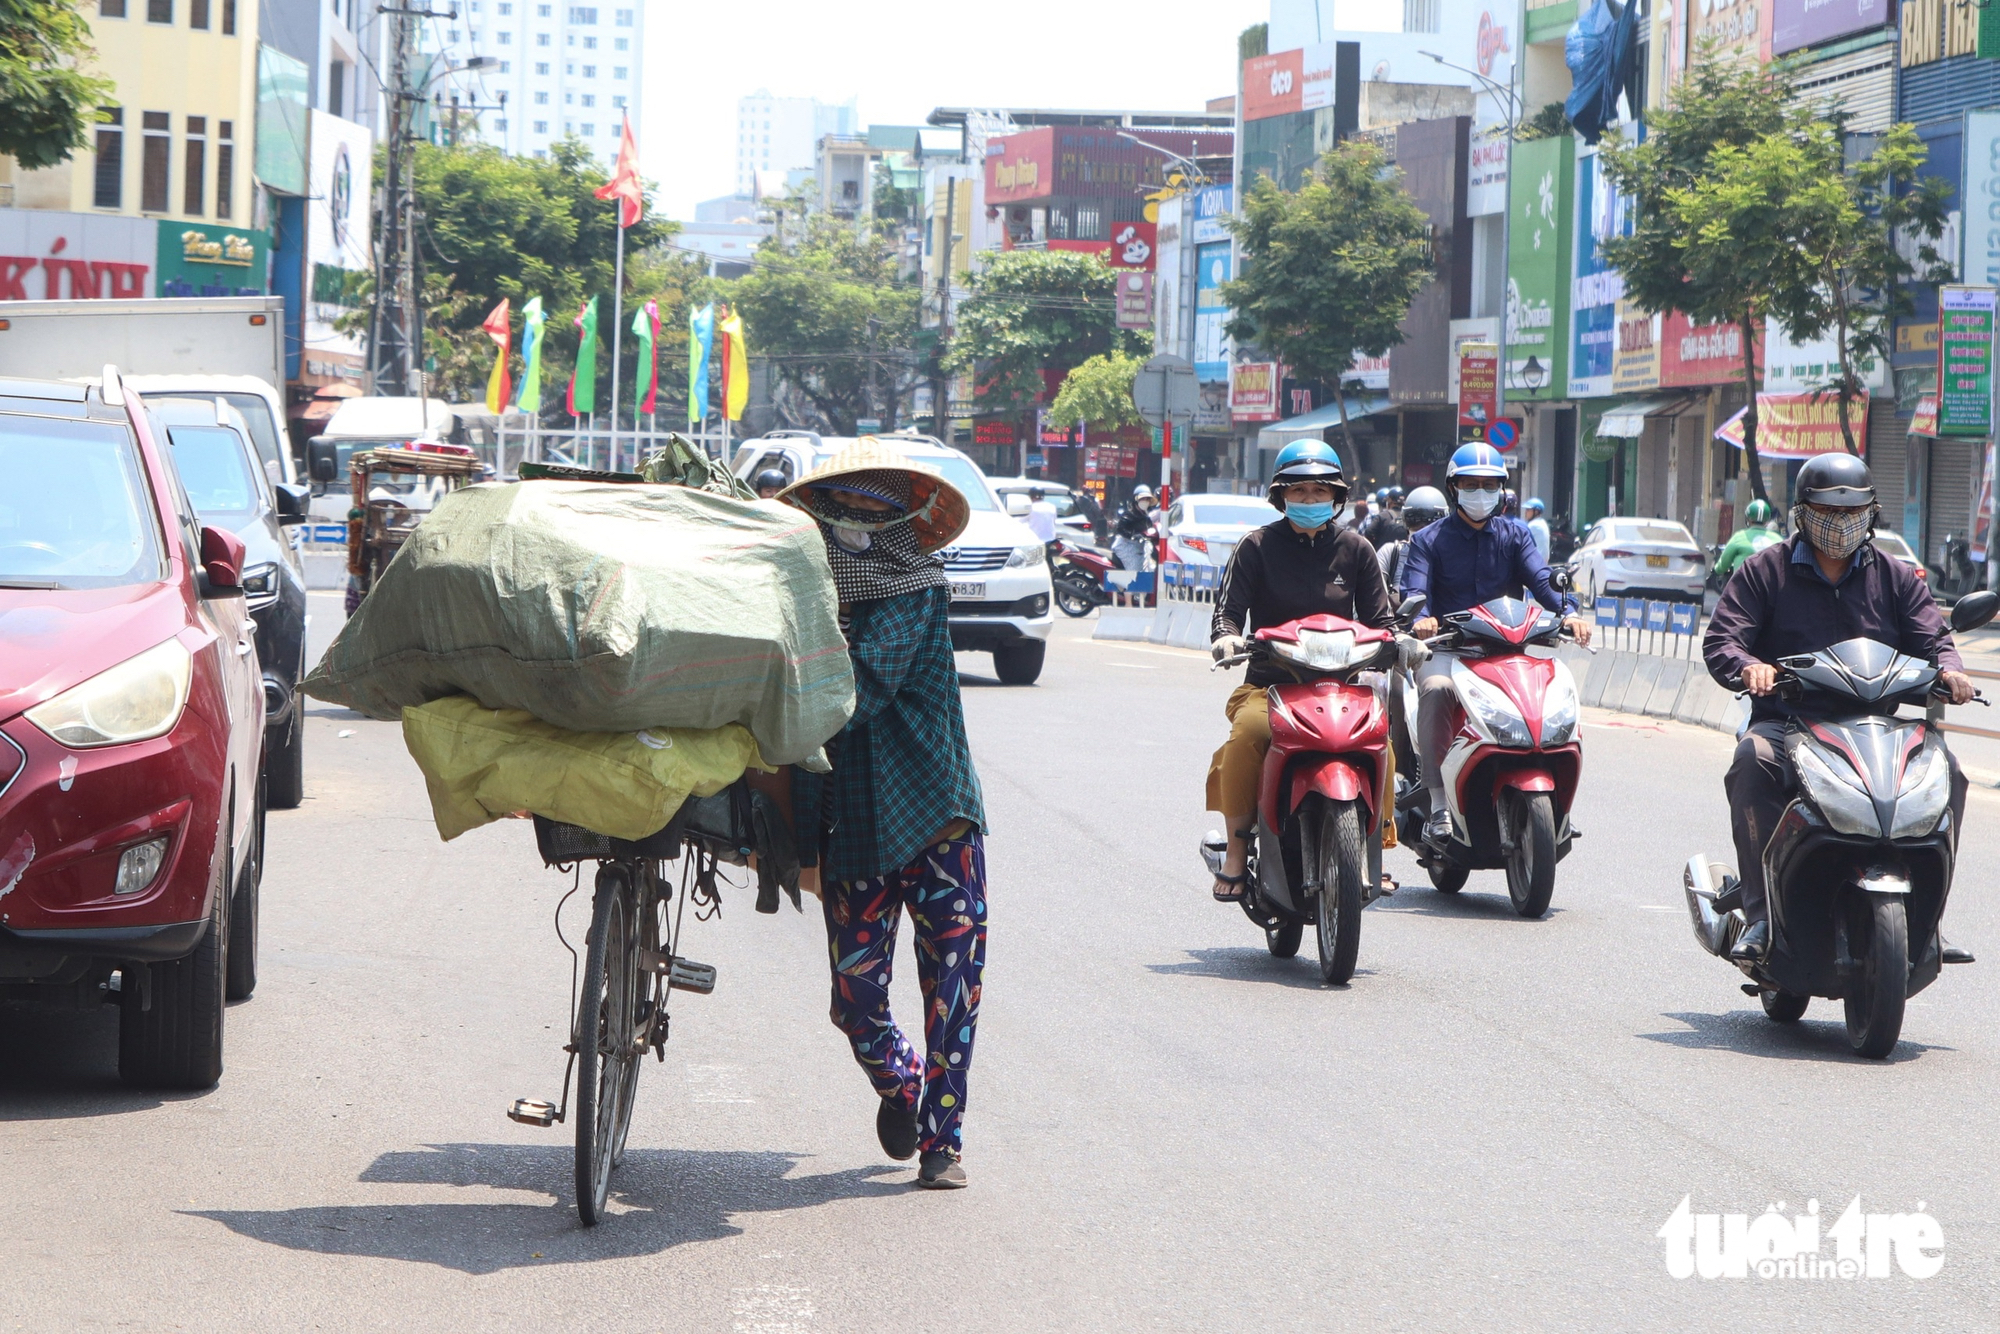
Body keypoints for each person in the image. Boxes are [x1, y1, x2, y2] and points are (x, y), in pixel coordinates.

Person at [777, 442, 988, 1189]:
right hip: (855, 825)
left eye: (875, 508)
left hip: (937, 819)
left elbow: (856, 690)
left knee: (951, 990)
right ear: (825, 515)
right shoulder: (803, 602)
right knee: (855, 1000)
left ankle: (944, 1143)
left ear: (901, 516)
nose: (860, 521)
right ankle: (903, 1086)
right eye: (845, 509)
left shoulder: (916, 588)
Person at [1702, 453, 1974, 964]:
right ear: (1802, 513)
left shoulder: (1896, 577)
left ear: (1870, 514)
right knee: (1751, 761)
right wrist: (1749, 668)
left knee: (1950, 772)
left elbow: (1934, 637)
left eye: (1852, 514)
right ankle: (1761, 916)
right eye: (1828, 512)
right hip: (1791, 723)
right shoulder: (1766, 571)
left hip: (1882, 727)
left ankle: (1930, 921)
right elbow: (1723, 640)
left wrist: (1951, 671)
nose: (1840, 525)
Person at [1205, 440, 1397, 899]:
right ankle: (1235, 849)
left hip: (1340, 690)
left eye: (1319, 491)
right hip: (1269, 687)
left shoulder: (1358, 549)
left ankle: (1376, 851)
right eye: (1300, 491)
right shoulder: (1255, 547)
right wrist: (1227, 637)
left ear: (1337, 497)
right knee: (1247, 736)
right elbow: (1226, 615)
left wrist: (1400, 643)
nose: (1310, 500)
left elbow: (1382, 622)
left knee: (1382, 740)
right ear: (1281, 496)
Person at [1402, 443, 1592, 844]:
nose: (1481, 492)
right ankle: (1438, 803)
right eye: (1471, 484)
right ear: (1453, 489)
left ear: (1503, 491)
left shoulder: (1516, 536)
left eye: (1490, 485)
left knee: (1557, 692)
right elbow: (1414, 590)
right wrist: (1421, 621)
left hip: (1507, 652)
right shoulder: (1428, 541)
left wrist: (1569, 613)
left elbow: (1542, 582)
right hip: (1448, 652)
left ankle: (1559, 806)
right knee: (1436, 690)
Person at [1378, 485, 1448, 598]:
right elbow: (1372, 595)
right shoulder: (1391, 553)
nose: (1422, 531)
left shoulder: (1453, 557)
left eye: (1430, 523)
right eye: (1414, 521)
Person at [1712, 498, 1781, 579]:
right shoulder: (1778, 540)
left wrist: (1716, 570)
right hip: (1770, 588)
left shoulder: (1740, 537)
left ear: (1748, 518)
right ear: (1768, 519)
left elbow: (1724, 563)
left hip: (1743, 587)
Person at [1112, 485, 1158, 573]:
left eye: (1147, 499)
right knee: (1135, 570)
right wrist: (1132, 536)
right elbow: (1120, 529)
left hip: (1141, 548)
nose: (1145, 501)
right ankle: (1132, 586)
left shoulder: (1146, 518)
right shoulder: (1129, 514)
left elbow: (1151, 531)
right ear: (1136, 500)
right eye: (1143, 499)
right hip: (1127, 547)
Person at [1522, 497, 1552, 562]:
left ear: (1536, 511)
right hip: (1540, 562)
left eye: (1528, 510)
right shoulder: (1541, 522)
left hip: (1535, 563)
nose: (1526, 512)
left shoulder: (1533, 525)